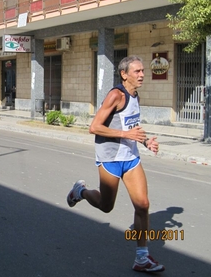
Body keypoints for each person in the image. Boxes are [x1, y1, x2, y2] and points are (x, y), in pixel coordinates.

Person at [66, 56, 164, 273]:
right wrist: (124, 133)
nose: (141, 75)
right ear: (124, 74)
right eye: (137, 71)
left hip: (130, 157)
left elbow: (132, 126)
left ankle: (142, 257)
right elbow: (94, 127)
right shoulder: (115, 95)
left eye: (142, 71)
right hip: (110, 158)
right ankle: (80, 191)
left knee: (143, 205)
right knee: (106, 206)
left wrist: (146, 141)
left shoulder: (135, 96)